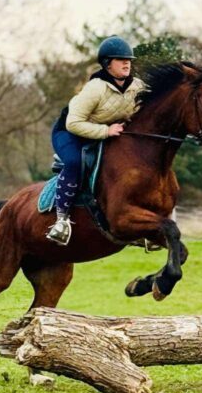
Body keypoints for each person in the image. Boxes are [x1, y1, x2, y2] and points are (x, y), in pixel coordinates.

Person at [46, 36, 147, 245]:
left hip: (106, 131)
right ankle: (61, 220)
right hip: (69, 133)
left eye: (128, 59)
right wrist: (105, 131)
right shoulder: (95, 88)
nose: (127, 63)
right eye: (120, 59)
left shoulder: (138, 87)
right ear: (107, 64)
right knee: (74, 162)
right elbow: (73, 123)